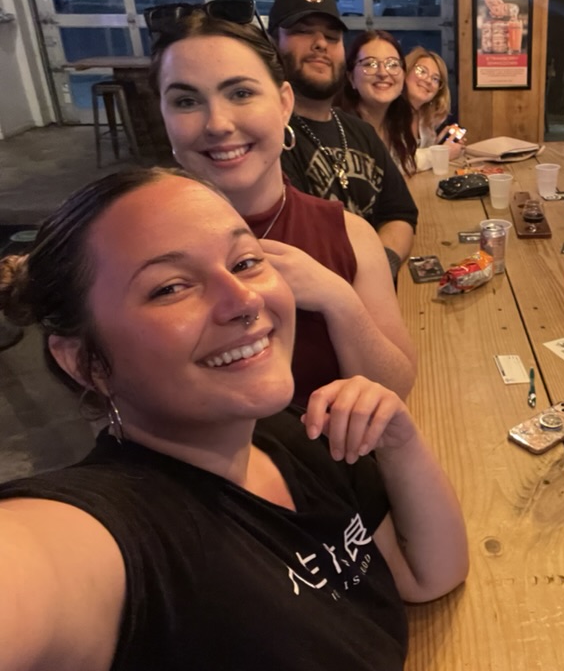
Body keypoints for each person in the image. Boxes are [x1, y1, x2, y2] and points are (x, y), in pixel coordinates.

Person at [0, 167, 469, 670]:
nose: (245, 300)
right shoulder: (111, 531)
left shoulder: (297, 434)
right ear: (85, 363)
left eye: (245, 262)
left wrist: (400, 444)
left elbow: (426, 576)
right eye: (170, 288)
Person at [149, 8, 416, 403]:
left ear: (284, 103)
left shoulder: (350, 236)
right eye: (186, 101)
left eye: (241, 93)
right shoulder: (143, 251)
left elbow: (396, 387)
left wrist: (340, 301)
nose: (218, 124)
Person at [269, 0, 418, 276]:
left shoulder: (361, 132)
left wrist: (381, 268)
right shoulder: (267, 138)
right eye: (302, 31)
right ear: (272, 45)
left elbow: (400, 215)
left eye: (332, 36)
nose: (320, 43)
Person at [337, 30, 418, 176]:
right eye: (370, 64)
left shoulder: (397, 126)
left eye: (392, 64)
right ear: (351, 78)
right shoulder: (339, 133)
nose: (383, 73)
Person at [404, 46, 463, 168]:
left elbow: (419, 157)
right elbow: (397, 162)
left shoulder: (425, 118)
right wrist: (442, 153)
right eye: (422, 71)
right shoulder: (387, 112)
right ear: (405, 71)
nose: (428, 81)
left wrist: (439, 144)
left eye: (435, 79)